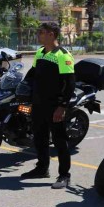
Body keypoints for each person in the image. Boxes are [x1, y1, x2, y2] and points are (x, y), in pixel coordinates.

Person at [20, 22, 76, 189]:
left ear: (51, 35)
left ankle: (64, 175)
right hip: (38, 103)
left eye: (42, 32)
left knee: (60, 141)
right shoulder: (41, 52)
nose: (39, 34)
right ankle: (42, 168)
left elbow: (69, 84)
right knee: (39, 137)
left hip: (54, 105)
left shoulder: (63, 55)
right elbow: (32, 73)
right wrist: (22, 86)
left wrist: (62, 107)